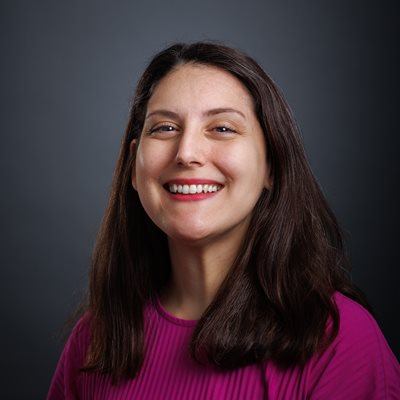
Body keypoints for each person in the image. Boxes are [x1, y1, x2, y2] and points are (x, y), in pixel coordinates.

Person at [48, 42, 400, 399]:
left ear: (271, 166)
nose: (187, 153)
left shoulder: (341, 341)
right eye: (165, 128)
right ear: (133, 168)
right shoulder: (93, 341)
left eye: (223, 128)